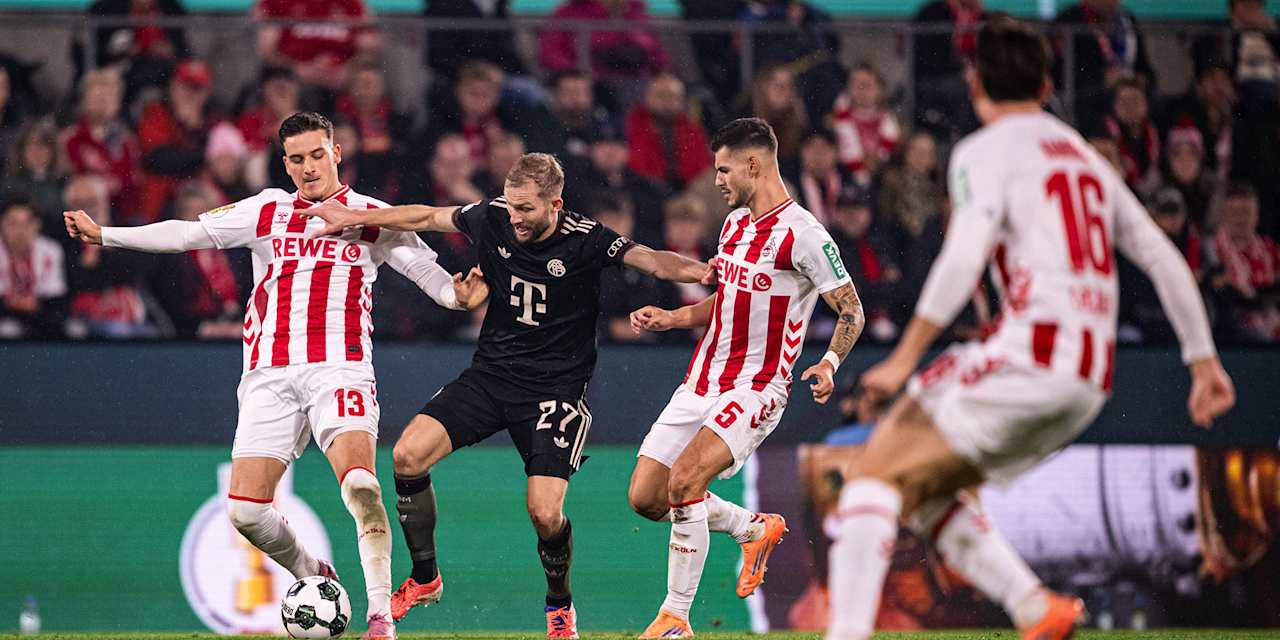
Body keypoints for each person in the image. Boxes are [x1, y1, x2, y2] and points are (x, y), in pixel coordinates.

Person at [824, 17, 1235, 640]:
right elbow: (1160, 255)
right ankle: (1033, 608)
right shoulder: (1085, 157)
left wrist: (905, 356)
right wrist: (1202, 361)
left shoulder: (983, 151)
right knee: (923, 487)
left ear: (974, 84)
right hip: (1088, 380)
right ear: (1046, 85)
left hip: (1030, 355)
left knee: (874, 473)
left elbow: (964, 256)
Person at [64, 111, 488, 640]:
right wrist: (105, 235)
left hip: (340, 369)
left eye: (317, 155)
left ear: (336, 153)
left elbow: (435, 281)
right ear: (284, 163)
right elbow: (188, 233)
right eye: (296, 159)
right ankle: (314, 573)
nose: (308, 168)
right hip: (269, 375)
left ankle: (380, 618)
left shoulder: (374, 215)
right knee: (245, 512)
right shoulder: (266, 210)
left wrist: (460, 295)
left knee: (361, 486)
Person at [299, 151, 715, 639]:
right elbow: (425, 217)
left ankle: (559, 607)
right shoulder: (494, 215)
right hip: (492, 376)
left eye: (525, 208)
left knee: (545, 512)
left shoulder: (586, 239)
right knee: (408, 456)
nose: (514, 216)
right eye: (511, 204)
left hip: (555, 391)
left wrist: (705, 273)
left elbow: (653, 260)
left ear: (555, 204)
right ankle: (426, 576)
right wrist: (354, 216)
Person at [625, 117, 866, 638]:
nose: (716, 180)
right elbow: (728, 299)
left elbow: (851, 309)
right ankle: (751, 527)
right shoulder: (733, 224)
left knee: (685, 482)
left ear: (753, 165)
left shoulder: (805, 235)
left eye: (723, 169)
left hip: (757, 387)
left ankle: (675, 618)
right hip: (702, 379)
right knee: (646, 497)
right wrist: (673, 318)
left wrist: (829, 362)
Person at [0, 197, 66, 339]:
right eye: (12, 223)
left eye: (27, 223)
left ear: (37, 225)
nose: (20, 231)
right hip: (5, 317)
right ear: (2, 225)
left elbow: (55, 297)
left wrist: (27, 303)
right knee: (8, 329)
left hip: (40, 317)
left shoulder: (51, 250)